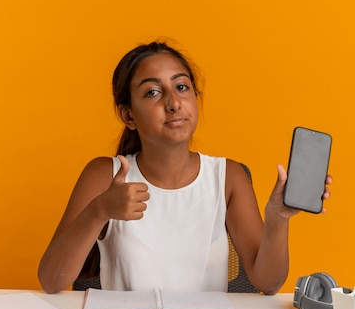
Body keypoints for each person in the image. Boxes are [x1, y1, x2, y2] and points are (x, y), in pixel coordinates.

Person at [38, 40, 332, 295]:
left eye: (181, 87)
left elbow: (268, 283)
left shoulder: (228, 177)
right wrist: (98, 211)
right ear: (128, 115)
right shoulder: (104, 174)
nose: (174, 103)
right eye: (153, 92)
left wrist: (278, 218)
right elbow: (51, 281)